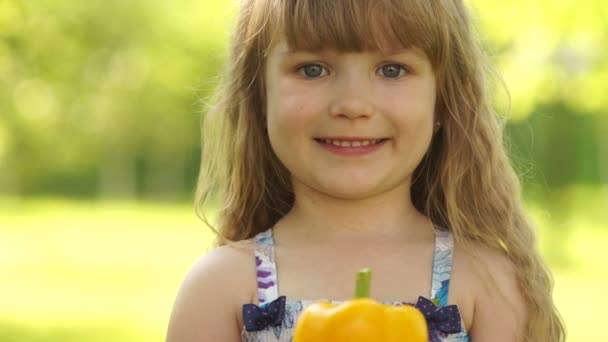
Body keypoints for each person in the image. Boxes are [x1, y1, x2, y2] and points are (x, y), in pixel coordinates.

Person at [166, 0, 565, 341]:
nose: (353, 104)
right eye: (312, 69)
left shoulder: (487, 282)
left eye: (392, 70)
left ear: (444, 101)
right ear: (258, 99)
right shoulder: (222, 287)